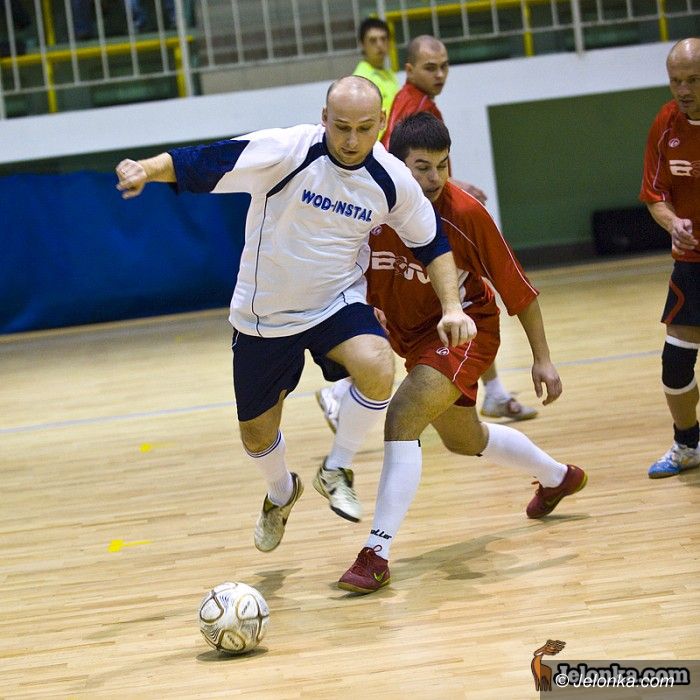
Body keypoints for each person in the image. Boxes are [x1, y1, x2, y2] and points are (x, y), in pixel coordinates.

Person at [115, 76, 474, 553]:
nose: (351, 140)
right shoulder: (287, 151)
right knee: (256, 435)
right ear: (324, 118)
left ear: (382, 124)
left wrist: (452, 306)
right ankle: (281, 492)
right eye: (341, 126)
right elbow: (205, 161)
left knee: (377, 365)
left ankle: (336, 467)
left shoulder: (392, 180)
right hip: (265, 314)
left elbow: (432, 244)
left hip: (334, 301)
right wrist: (145, 168)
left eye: (364, 128)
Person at [334, 112, 587, 594]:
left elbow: (520, 291)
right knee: (464, 439)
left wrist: (542, 358)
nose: (435, 178)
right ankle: (558, 477)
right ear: (396, 164)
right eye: (422, 167)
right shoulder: (369, 205)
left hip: (465, 332)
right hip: (409, 337)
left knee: (402, 416)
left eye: (443, 165)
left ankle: (376, 554)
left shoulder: (466, 214)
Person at [318, 34, 537, 425]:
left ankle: (493, 391)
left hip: (421, 216)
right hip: (406, 215)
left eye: (444, 66)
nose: (440, 74)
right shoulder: (414, 107)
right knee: (422, 299)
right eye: (430, 67)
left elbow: (423, 163)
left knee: (461, 295)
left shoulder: (419, 104)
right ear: (410, 70)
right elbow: (401, 160)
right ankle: (343, 391)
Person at [641, 38, 700, 479]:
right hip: (692, 263)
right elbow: (655, 194)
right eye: (676, 80)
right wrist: (673, 222)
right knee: (675, 364)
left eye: (693, 80)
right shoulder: (666, 122)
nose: (683, 90)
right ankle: (687, 444)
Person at [352, 17, 399, 142]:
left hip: (392, 143)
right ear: (362, 45)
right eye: (373, 40)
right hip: (374, 146)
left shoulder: (389, 74)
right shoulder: (360, 79)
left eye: (383, 39)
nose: (379, 45)